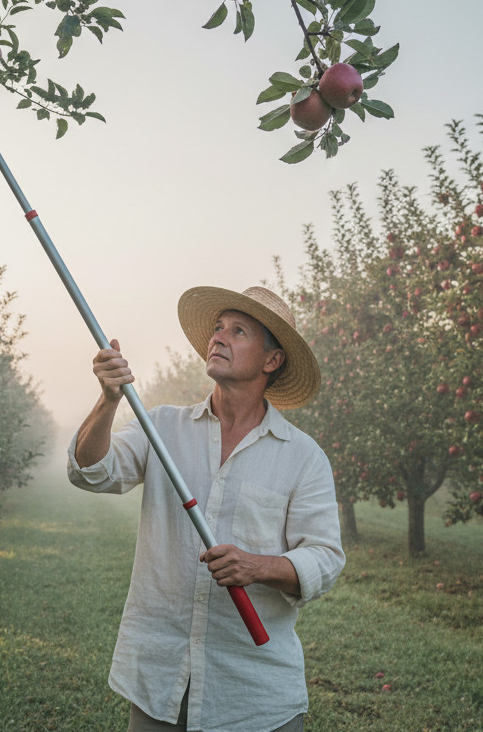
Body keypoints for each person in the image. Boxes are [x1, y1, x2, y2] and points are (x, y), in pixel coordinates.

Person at [68, 285, 345, 732]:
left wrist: (258, 566)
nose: (218, 337)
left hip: (253, 694)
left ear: (272, 361)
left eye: (238, 331)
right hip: (159, 680)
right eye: (218, 328)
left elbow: (326, 558)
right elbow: (90, 471)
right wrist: (108, 400)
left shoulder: (302, 456)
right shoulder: (161, 427)